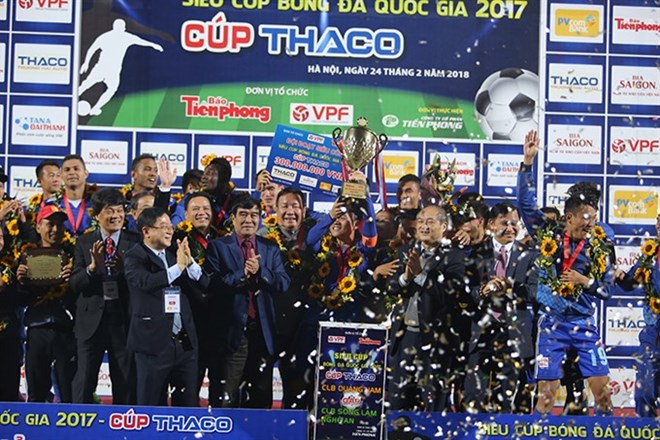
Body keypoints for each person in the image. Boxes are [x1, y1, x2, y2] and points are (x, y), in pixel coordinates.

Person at [517, 130, 614, 416]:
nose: (592, 225)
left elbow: (606, 291)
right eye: (586, 219)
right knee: (546, 395)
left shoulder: (599, 243)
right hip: (553, 325)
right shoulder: (550, 236)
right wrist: (527, 163)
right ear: (568, 217)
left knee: (604, 395)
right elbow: (526, 206)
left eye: (594, 219)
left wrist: (586, 281)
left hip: (584, 324)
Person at [205, 196, 290, 408]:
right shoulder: (217, 247)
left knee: (260, 398)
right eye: (243, 214)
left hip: (263, 333)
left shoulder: (270, 248)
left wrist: (261, 271)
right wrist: (242, 274)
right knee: (226, 396)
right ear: (232, 218)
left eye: (254, 215)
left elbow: (283, 283)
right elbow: (213, 285)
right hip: (231, 333)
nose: (248, 220)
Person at [124, 206, 208, 407]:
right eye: (163, 227)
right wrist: (178, 267)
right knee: (151, 404)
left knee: (187, 405)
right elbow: (146, 282)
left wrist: (190, 263)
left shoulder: (174, 253)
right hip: (153, 344)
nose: (170, 231)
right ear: (146, 231)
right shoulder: (134, 256)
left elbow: (204, 283)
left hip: (184, 344)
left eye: (170, 226)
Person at [386, 205, 467, 411]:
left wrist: (420, 276)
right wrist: (406, 277)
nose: (424, 226)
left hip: (435, 339)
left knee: (433, 400)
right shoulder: (405, 251)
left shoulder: (455, 257)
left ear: (443, 226)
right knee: (397, 400)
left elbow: (451, 294)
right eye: (421, 221)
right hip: (404, 337)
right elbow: (392, 287)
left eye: (430, 222)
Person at [463, 202, 536, 414]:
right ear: (492, 224)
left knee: (507, 400)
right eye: (505, 223)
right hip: (480, 332)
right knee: (473, 397)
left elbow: (534, 293)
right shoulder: (475, 253)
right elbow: (464, 291)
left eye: (515, 224)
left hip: (513, 333)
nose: (510, 228)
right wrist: (482, 291)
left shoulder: (530, 255)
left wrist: (509, 287)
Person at [70, 188, 139, 404]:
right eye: (110, 211)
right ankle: (79, 430)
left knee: (125, 382)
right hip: (90, 323)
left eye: (120, 211)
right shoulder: (84, 242)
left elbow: (142, 284)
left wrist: (124, 270)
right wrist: (91, 268)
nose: (116, 216)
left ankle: (124, 433)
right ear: (97, 215)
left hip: (123, 321)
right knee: (84, 381)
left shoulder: (135, 241)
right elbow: (74, 284)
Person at [257, 187, 316, 409]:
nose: (290, 211)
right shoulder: (262, 236)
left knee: (299, 386)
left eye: (295, 206)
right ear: (275, 209)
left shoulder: (314, 237)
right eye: (285, 206)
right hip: (269, 322)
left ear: (304, 209)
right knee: (260, 385)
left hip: (302, 324)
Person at [16, 205, 77, 402]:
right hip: (37, 326)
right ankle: (34, 431)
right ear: (38, 227)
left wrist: (73, 280)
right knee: (36, 390)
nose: (55, 229)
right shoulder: (26, 256)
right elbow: (20, 298)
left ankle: (71, 432)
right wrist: (21, 282)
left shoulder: (74, 254)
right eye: (50, 224)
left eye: (60, 225)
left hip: (67, 328)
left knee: (69, 390)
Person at [173, 192, 219, 396]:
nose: (202, 213)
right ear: (185, 214)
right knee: (186, 390)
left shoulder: (223, 239)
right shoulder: (176, 239)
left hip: (217, 325)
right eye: (196, 209)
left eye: (206, 208)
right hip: (188, 324)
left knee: (220, 390)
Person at [616, 213, 660, 418]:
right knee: (644, 389)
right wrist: (621, 277)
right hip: (652, 331)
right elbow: (631, 283)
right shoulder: (649, 254)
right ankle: (645, 430)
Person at [78, 18, 163, 116]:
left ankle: (95, 108)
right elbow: (92, 49)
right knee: (88, 84)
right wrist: (86, 63)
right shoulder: (107, 37)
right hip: (102, 67)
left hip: (112, 71)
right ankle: (80, 101)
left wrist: (153, 45)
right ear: (119, 27)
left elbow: (141, 41)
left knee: (110, 88)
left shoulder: (125, 37)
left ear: (123, 28)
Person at [0, 226, 22, 401]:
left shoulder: (9, 266)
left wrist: (19, 282)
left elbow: (20, 300)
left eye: (0, 237)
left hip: (8, 337)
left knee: (8, 389)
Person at [59, 155, 95, 236]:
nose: (71, 173)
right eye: (67, 170)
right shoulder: (53, 205)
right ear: (61, 175)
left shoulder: (97, 204)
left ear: (86, 173)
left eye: (76, 169)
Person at [25, 160, 62, 226]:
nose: (56, 179)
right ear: (39, 181)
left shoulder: (67, 205)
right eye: (51, 175)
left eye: (58, 175)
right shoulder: (32, 209)